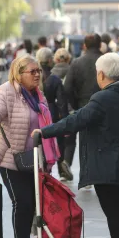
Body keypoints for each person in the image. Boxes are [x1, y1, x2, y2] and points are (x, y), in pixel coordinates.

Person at [32, 53, 119, 238]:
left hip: (109, 165)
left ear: (101, 74)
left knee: (114, 211)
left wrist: (44, 131)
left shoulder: (102, 98)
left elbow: (76, 121)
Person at [0, 54, 60, 238]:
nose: (36, 75)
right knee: (22, 202)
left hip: (33, 159)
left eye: (38, 71)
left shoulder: (37, 95)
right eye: (31, 71)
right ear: (18, 73)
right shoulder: (6, 91)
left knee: (33, 203)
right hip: (10, 157)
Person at [64, 33, 102, 189]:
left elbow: (67, 88)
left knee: (85, 142)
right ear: (100, 45)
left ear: (84, 46)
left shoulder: (77, 63)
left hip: (84, 105)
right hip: (106, 104)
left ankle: (87, 176)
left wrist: (75, 104)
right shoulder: (108, 61)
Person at [36, 47, 72, 181]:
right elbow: (62, 102)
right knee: (58, 142)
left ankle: (41, 168)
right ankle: (60, 169)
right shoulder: (54, 80)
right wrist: (66, 122)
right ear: (50, 60)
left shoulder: (34, 77)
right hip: (52, 113)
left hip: (37, 113)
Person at [51, 48, 77, 175]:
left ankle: (61, 169)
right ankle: (66, 163)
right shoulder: (73, 71)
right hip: (71, 109)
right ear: (68, 59)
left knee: (58, 141)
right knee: (70, 141)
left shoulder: (50, 73)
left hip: (55, 111)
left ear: (55, 59)